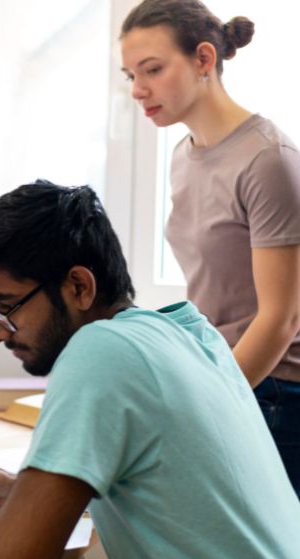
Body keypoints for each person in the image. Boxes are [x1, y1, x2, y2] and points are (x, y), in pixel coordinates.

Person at [0, 181, 300, 559]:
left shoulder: (101, 350)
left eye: (6, 308)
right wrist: (20, 494)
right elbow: (180, 497)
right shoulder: (190, 333)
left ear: (79, 287)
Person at [120, 0, 300, 494]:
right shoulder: (184, 155)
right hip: (227, 375)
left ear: (203, 59)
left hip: (277, 392)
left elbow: (281, 318)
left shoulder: (267, 159)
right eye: (131, 74)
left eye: (152, 70)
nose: (138, 89)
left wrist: (212, 398)